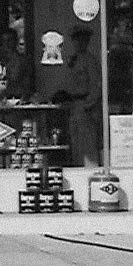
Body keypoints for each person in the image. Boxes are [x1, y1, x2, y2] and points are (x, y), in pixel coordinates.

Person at [47, 24, 101, 165]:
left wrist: (88, 105)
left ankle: (90, 170)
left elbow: (95, 86)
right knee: (75, 144)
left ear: (87, 41)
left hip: (85, 106)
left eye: (82, 39)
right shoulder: (72, 59)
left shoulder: (90, 60)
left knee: (87, 144)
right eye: (76, 39)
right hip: (72, 105)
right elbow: (67, 82)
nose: (79, 42)